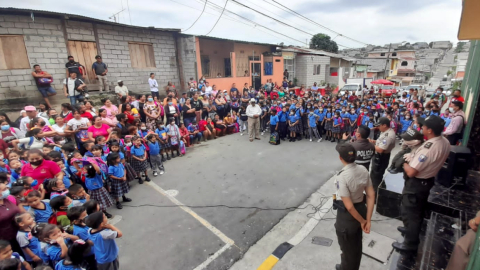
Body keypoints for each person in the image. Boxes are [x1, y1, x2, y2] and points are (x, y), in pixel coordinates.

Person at [393, 115, 450, 253]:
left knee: (410, 213)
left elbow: (412, 172)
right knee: (417, 209)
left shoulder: (429, 147)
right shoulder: (444, 141)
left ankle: (410, 243)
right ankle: (409, 229)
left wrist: (404, 163)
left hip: (417, 184)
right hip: (427, 181)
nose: (421, 127)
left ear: (429, 130)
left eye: (424, 126)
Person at [333, 143, 375, 270]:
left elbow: (349, 207)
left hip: (348, 217)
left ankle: (347, 267)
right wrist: (367, 220)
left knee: (347, 247)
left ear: (340, 158)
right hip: (361, 208)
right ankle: (346, 265)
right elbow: (371, 195)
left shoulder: (342, 176)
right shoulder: (363, 169)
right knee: (356, 244)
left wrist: (363, 221)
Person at [368, 117, 396, 195]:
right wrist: (373, 141)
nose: (378, 127)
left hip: (381, 157)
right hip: (379, 156)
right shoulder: (385, 132)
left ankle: (375, 195)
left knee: (376, 178)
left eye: (379, 125)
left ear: (384, 125)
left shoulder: (388, 135)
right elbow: (380, 141)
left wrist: (369, 145)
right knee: (374, 175)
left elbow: (380, 149)